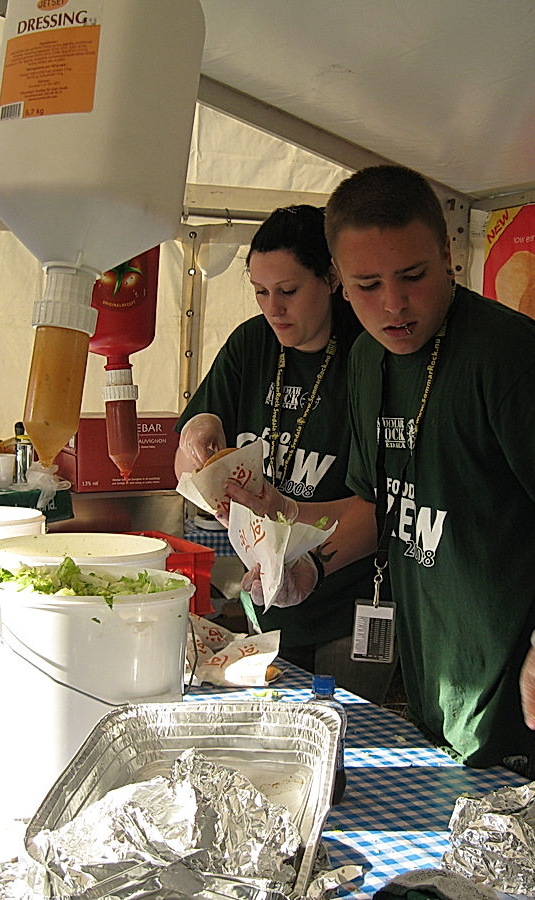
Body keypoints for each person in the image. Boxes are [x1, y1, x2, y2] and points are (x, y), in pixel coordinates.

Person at [230, 166, 535, 778]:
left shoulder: (509, 360)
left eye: (414, 276)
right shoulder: (369, 361)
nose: (393, 304)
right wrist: (309, 559)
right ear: (340, 280)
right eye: (368, 284)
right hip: (440, 694)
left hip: (530, 702)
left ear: (448, 255)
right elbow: (375, 507)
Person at [175, 204, 396, 704]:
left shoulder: (368, 355)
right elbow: (190, 450)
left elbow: (385, 508)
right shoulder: (253, 343)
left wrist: (306, 552)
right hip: (267, 600)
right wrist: (199, 435)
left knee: (348, 740)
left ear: (332, 278)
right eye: (260, 291)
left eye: (289, 292)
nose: (273, 308)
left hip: (348, 600)